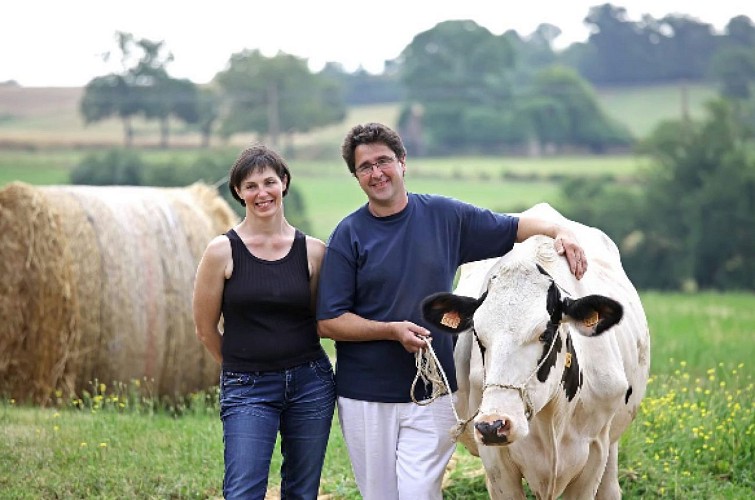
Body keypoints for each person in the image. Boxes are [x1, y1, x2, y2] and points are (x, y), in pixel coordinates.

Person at [316, 123, 587, 500]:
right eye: (365, 167)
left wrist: (561, 229)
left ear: (403, 162)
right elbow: (329, 320)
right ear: (356, 175)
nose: (376, 173)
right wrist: (391, 330)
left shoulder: (445, 216)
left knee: (418, 494)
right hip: (365, 395)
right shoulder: (348, 234)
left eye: (384, 161)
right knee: (380, 495)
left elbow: (513, 227)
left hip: (434, 391)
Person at [193, 144, 336, 500]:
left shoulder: (314, 252)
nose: (262, 193)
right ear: (239, 192)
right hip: (247, 387)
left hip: (310, 384)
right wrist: (239, 369)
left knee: (302, 493)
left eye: (269, 182)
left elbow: (325, 321)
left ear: (284, 183)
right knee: (243, 491)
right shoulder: (221, 252)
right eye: (251, 185)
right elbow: (205, 328)